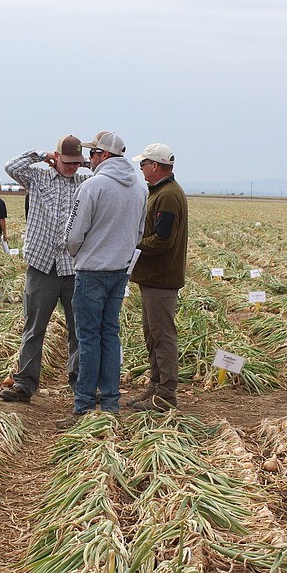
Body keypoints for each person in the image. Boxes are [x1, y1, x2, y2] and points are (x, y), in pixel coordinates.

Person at [61, 131, 147, 428]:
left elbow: (74, 234)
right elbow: (138, 232)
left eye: (94, 154)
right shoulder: (140, 188)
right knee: (110, 335)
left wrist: (77, 253)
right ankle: (110, 402)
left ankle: (84, 405)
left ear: (105, 156)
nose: (89, 159)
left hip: (91, 271)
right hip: (119, 272)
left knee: (88, 338)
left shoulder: (92, 186)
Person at [0, 135, 90, 403]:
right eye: (68, 161)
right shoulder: (38, 178)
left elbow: (109, 176)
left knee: (79, 330)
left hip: (73, 267)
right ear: (57, 157)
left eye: (77, 162)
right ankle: (24, 384)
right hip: (42, 265)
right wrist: (40, 155)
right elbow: (11, 167)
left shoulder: (87, 184)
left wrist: (88, 165)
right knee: (34, 327)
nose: (73, 166)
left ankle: (80, 384)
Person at [128, 143, 188, 412]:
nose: (141, 168)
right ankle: (156, 385)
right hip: (153, 277)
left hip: (161, 277)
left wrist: (133, 246)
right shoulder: (161, 192)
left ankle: (166, 394)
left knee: (162, 335)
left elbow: (163, 239)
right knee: (152, 334)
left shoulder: (167, 195)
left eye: (143, 164)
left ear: (155, 165)